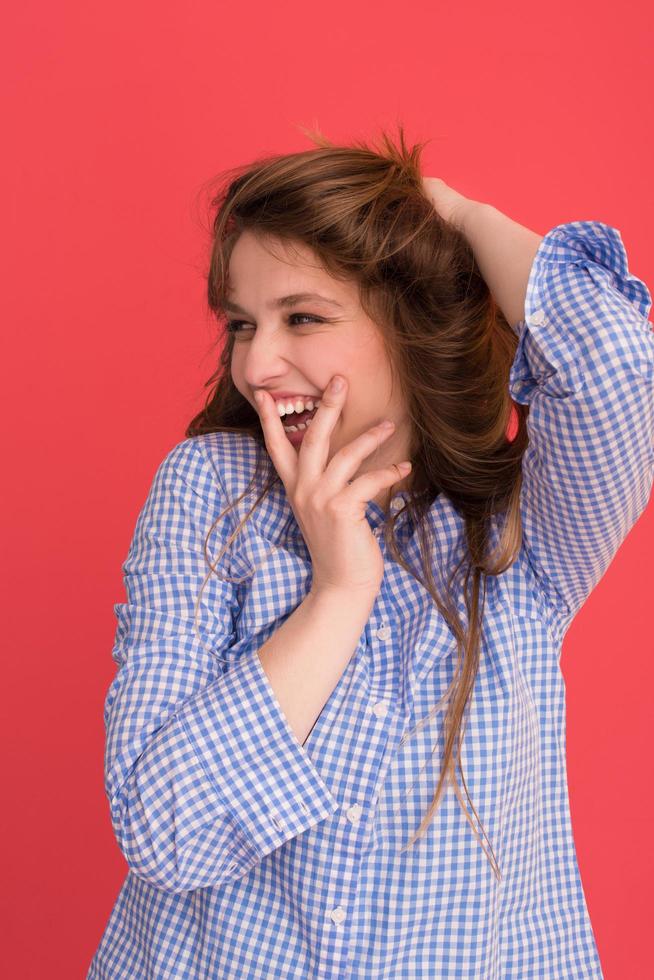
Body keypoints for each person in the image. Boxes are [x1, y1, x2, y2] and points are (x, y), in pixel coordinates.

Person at [86, 128, 653, 979]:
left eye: (303, 317)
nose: (257, 364)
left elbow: (613, 355)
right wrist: (338, 591)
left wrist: (457, 216)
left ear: (410, 326)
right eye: (242, 324)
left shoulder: (518, 534)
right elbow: (167, 831)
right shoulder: (208, 491)